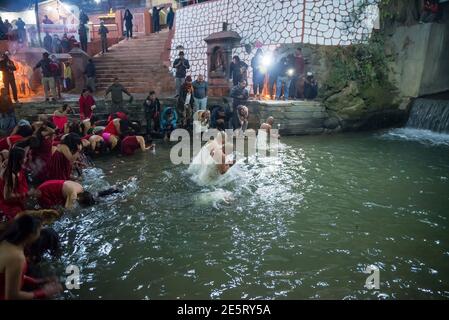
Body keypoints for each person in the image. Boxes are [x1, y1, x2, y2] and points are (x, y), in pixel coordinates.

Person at [0, 214, 63, 300]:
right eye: (39, 231)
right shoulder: (17, 258)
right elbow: (12, 296)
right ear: (31, 235)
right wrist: (44, 292)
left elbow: (10, 275)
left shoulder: (5, 242)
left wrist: (37, 281)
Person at [0, 147, 30, 220]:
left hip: (18, 202)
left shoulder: (16, 167)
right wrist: (26, 194)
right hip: (11, 208)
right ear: (19, 161)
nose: (26, 158)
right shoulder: (11, 175)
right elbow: (7, 197)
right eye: (25, 157)